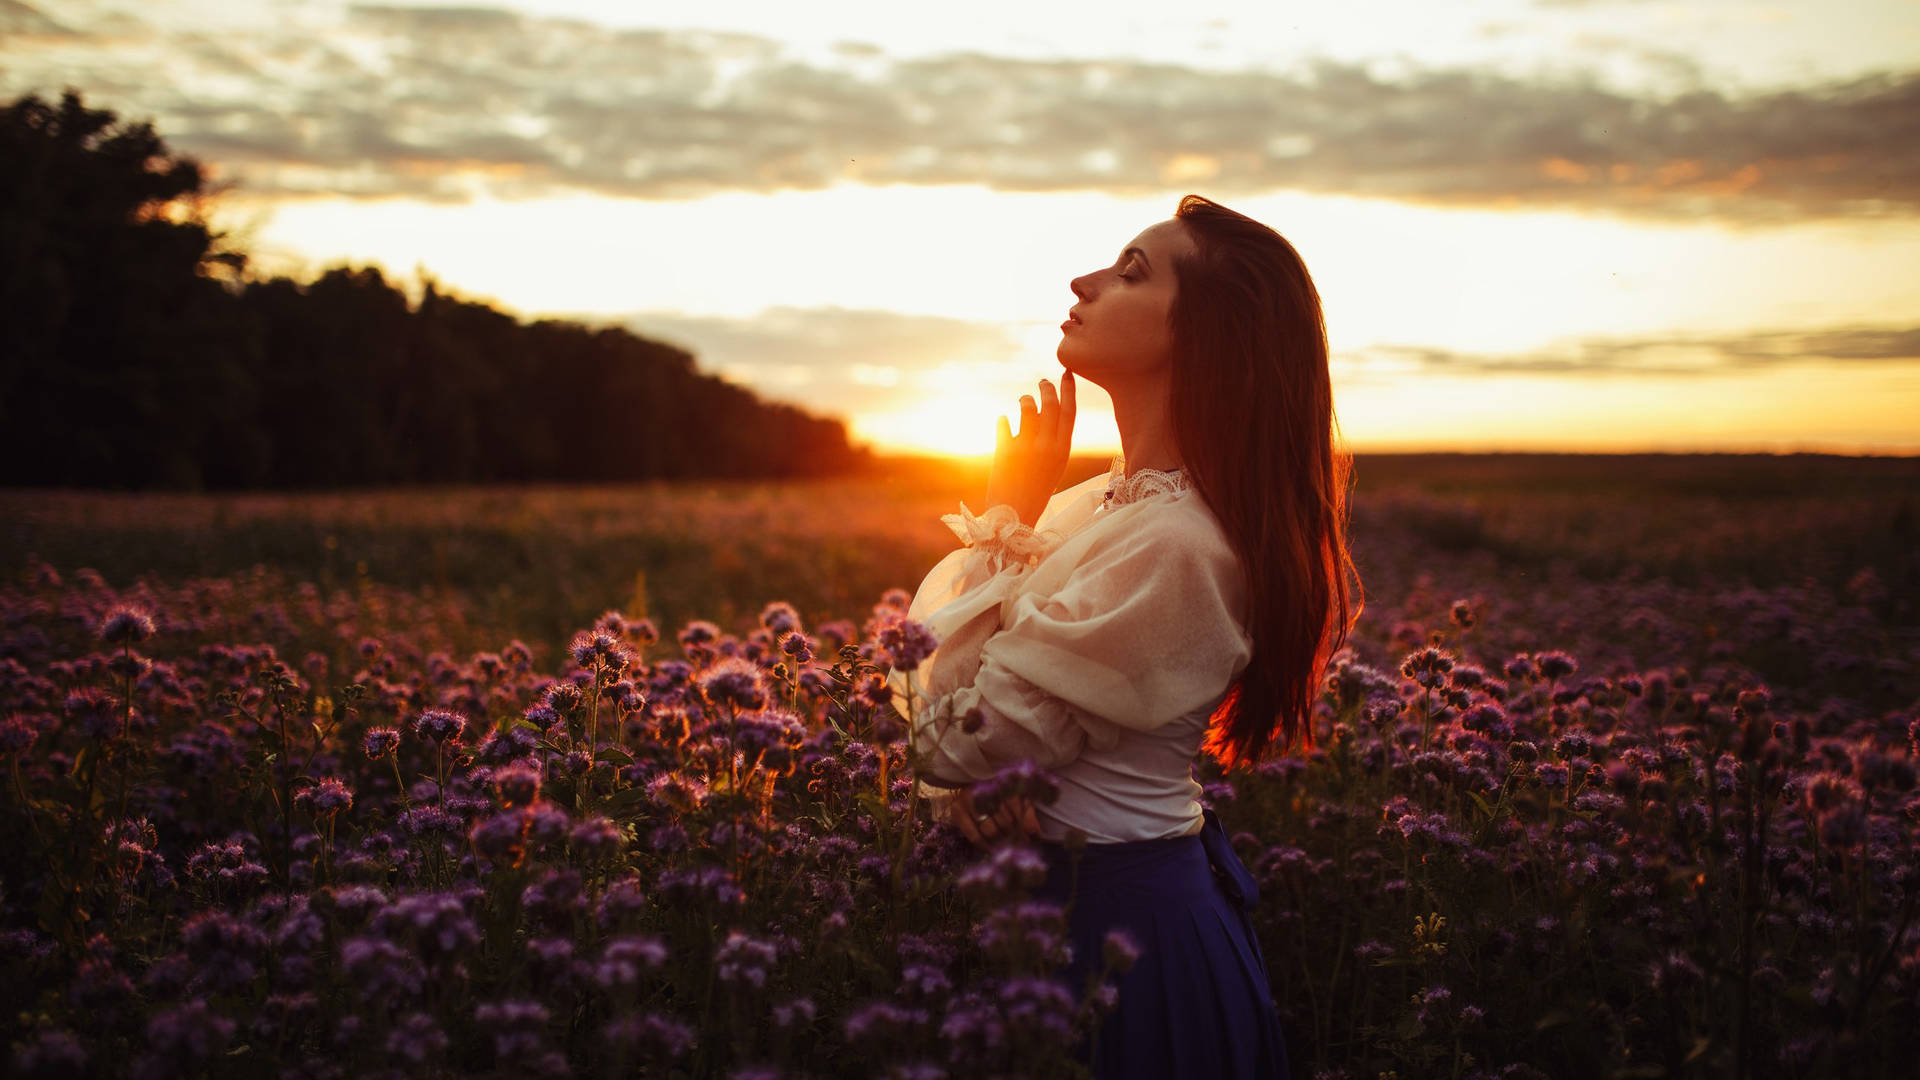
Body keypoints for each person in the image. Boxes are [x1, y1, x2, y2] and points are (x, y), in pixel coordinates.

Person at [885, 194, 1362, 1079]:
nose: (1084, 280)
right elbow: (958, 729)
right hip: (1058, 919)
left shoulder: (1178, 547)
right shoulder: (1088, 509)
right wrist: (975, 783)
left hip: (1126, 935)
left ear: (1208, 334)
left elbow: (953, 740)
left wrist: (1001, 523)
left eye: (1132, 271)